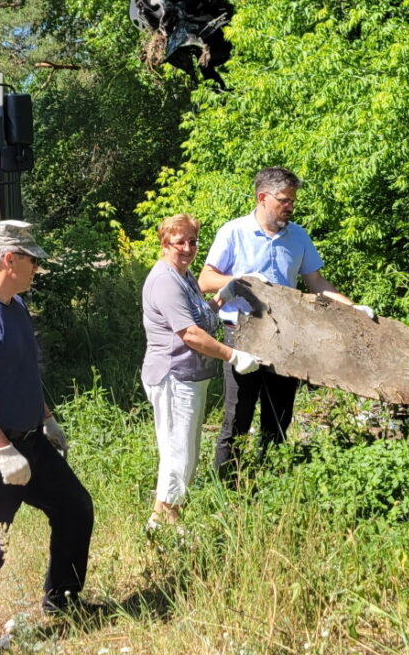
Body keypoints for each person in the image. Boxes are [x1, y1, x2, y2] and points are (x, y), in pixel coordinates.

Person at [0, 220, 95, 655]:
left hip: (30, 439)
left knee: (74, 508)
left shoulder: (15, 307)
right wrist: (1, 450)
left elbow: (23, 374)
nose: (37, 268)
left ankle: (64, 604)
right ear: (9, 260)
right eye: (32, 260)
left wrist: (47, 418)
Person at [197, 167, 373, 478]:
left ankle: (268, 482)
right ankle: (225, 487)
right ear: (262, 198)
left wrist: (353, 310)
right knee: (238, 417)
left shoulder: (298, 236)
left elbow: (316, 282)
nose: (290, 206)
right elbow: (206, 280)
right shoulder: (234, 232)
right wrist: (241, 279)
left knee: (278, 418)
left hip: (286, 336)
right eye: (284, 200)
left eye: (292, 200)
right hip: (241, 336)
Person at [140, 213, 262, 527]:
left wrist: (221, 297)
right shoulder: (165, 280)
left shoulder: (184, 274)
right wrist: (234, 356)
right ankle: (168, 520)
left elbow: (198, 317)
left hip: (190, 377)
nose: (187, 248)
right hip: (173, 376)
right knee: (178, 453)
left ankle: (160, 519)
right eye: (179, 242)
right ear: (165, 244)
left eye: (192, 241)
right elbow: (190, 334)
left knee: (182, 451)